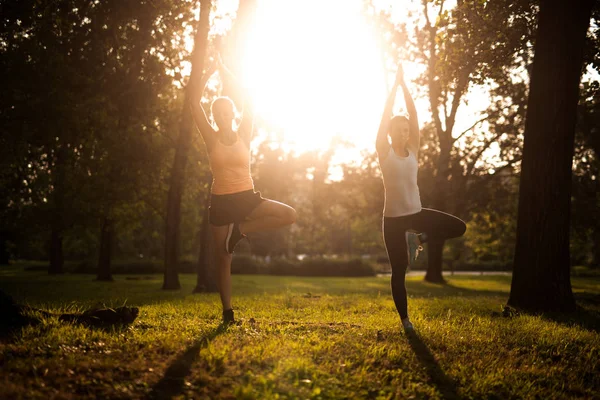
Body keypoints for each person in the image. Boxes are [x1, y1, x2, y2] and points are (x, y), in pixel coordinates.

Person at [190, 59, 297, 325]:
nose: (223, 118)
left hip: (247, 198)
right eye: (218, 115)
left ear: (233, 114)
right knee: (223, 259)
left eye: (227, 113)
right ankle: (227, 312)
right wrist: (208, 74)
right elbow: (194, 104)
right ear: (215, 118)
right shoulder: (211, 137)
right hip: (221, 201)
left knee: (289, 214)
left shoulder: (244, 133)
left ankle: (241, 231)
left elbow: (250, 101)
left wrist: (228, 73)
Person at [376, 63, 466, 331]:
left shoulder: (414, 149)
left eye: (406, 130)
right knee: (399, 270)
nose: (404, 132)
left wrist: (405, 86)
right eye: (399, 129)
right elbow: (384, 119)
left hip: (416, 213)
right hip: (392, 219)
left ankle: (420, 238)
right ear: (391, 133)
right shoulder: (384, 151)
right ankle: (405, 321)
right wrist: (393, 89)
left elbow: (414, 115)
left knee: (457, 227)